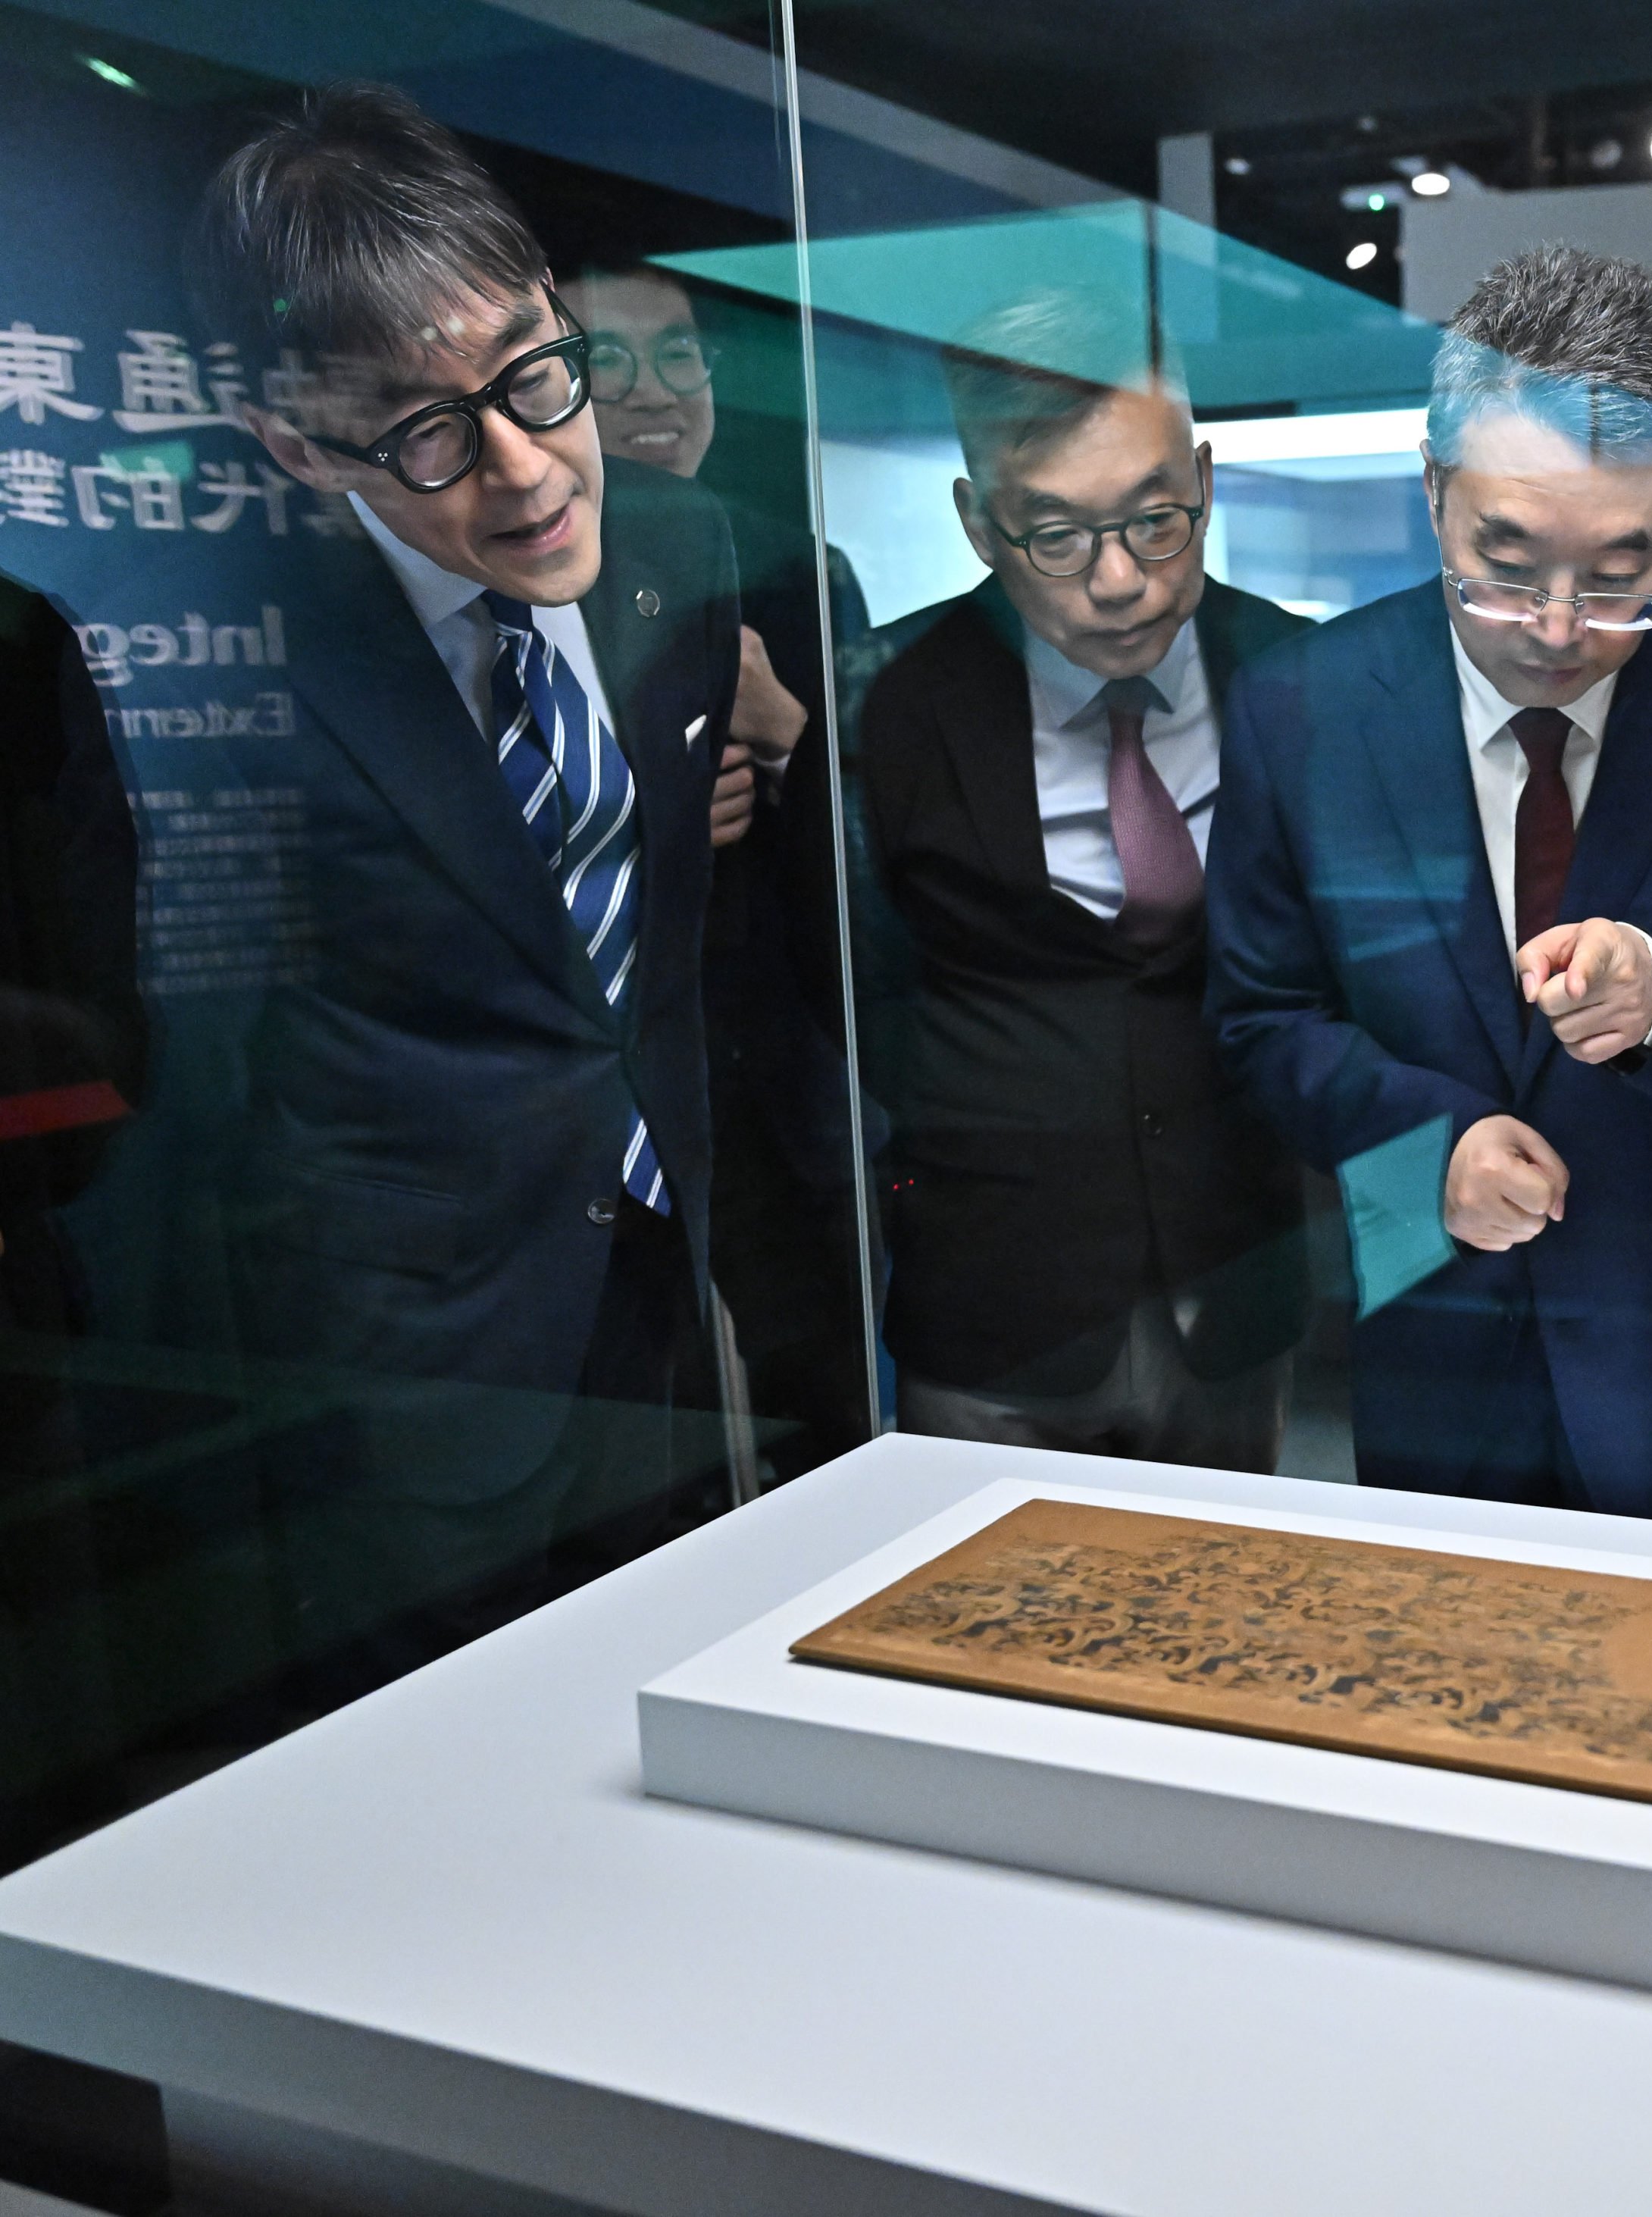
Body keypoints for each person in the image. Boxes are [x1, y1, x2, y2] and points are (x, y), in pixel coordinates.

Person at [1206, 245, 1652, 1533]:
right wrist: (1431, 1148)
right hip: (1435, 1359)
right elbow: (1264, 1018)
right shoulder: (1298, 707)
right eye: (1508, 562)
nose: (1560, 627)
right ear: (1432, 492)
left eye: (1622, 572)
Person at [185, 84, 741, 1681]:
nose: (526, 471)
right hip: (415, 1363)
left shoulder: (682, 549)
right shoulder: (231, 655)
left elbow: (660, 946)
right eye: (427, 433)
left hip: (652, 1279)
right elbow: (216, 1080)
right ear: (297, 445)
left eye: (533, 375)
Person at [861, 293, 1312, 1470]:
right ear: (975, 522)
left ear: (1204, 480)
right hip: (993, 1305)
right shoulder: (889, 707)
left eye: (1156, 521)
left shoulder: (1298, 679)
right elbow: (841, 1001)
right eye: (1053, 537)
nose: (1117, 582)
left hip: (1233, 1278)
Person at [562, 261, 878, 1483]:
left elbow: (879, 845)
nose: (651, 391)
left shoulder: (801, 568)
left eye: (677, 356)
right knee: (651, 1440)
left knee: (830, 1425)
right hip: (616, 1100)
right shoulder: (530, 572)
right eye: (606, 361)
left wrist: (791, 737)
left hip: (789, 1083)